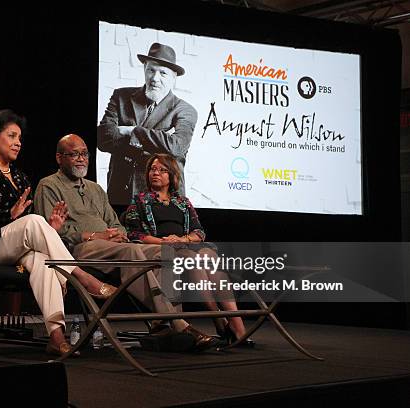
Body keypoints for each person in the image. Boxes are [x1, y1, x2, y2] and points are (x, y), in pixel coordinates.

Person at [34, 134, 219, 351]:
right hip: (80, 249)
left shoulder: (95, 188)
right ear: (59, 157)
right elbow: (51, 232)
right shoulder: (48, 186)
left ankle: (162, 328)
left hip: (113, 246)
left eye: (84, 154)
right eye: (74, 154)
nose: (81, 159)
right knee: (132, 252)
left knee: (165, 255)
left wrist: (118, 234)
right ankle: (179, 324)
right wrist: (95, 236)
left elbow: (115, 222)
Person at [0, 110, 116, 357]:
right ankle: (81, 276)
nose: (18, 142)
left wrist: (53, 229)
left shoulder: (19, 176)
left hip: (19, 248)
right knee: (33, 221)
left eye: (19, 137)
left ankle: (56, 336)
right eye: (11, 136)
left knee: (45, 263)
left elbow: (28, 231)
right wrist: (8, 216)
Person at [122, 153, 254, 347]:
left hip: (185, 244)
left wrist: (182, 239)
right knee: (192, 257)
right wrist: (163, 243)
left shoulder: (183, 202)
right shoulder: (140, 201)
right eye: (152, 169)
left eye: (162, 170)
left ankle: (236, 324)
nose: (155, 173)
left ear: (172, 176)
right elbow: (134, 234)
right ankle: (218, 318)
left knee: (208, 255)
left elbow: (199, 232)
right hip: (163, 249)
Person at [97, 42, 198, 205]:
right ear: (144, 69)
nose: (155, 79)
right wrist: (160, 141)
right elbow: (103, 138)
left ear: (174, 78)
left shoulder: (185, 110)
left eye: (163, 73)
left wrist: (131, 131)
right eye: (151, 70)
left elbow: (177, 147)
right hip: (119, 193)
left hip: (162, 200)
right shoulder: (121, 96)